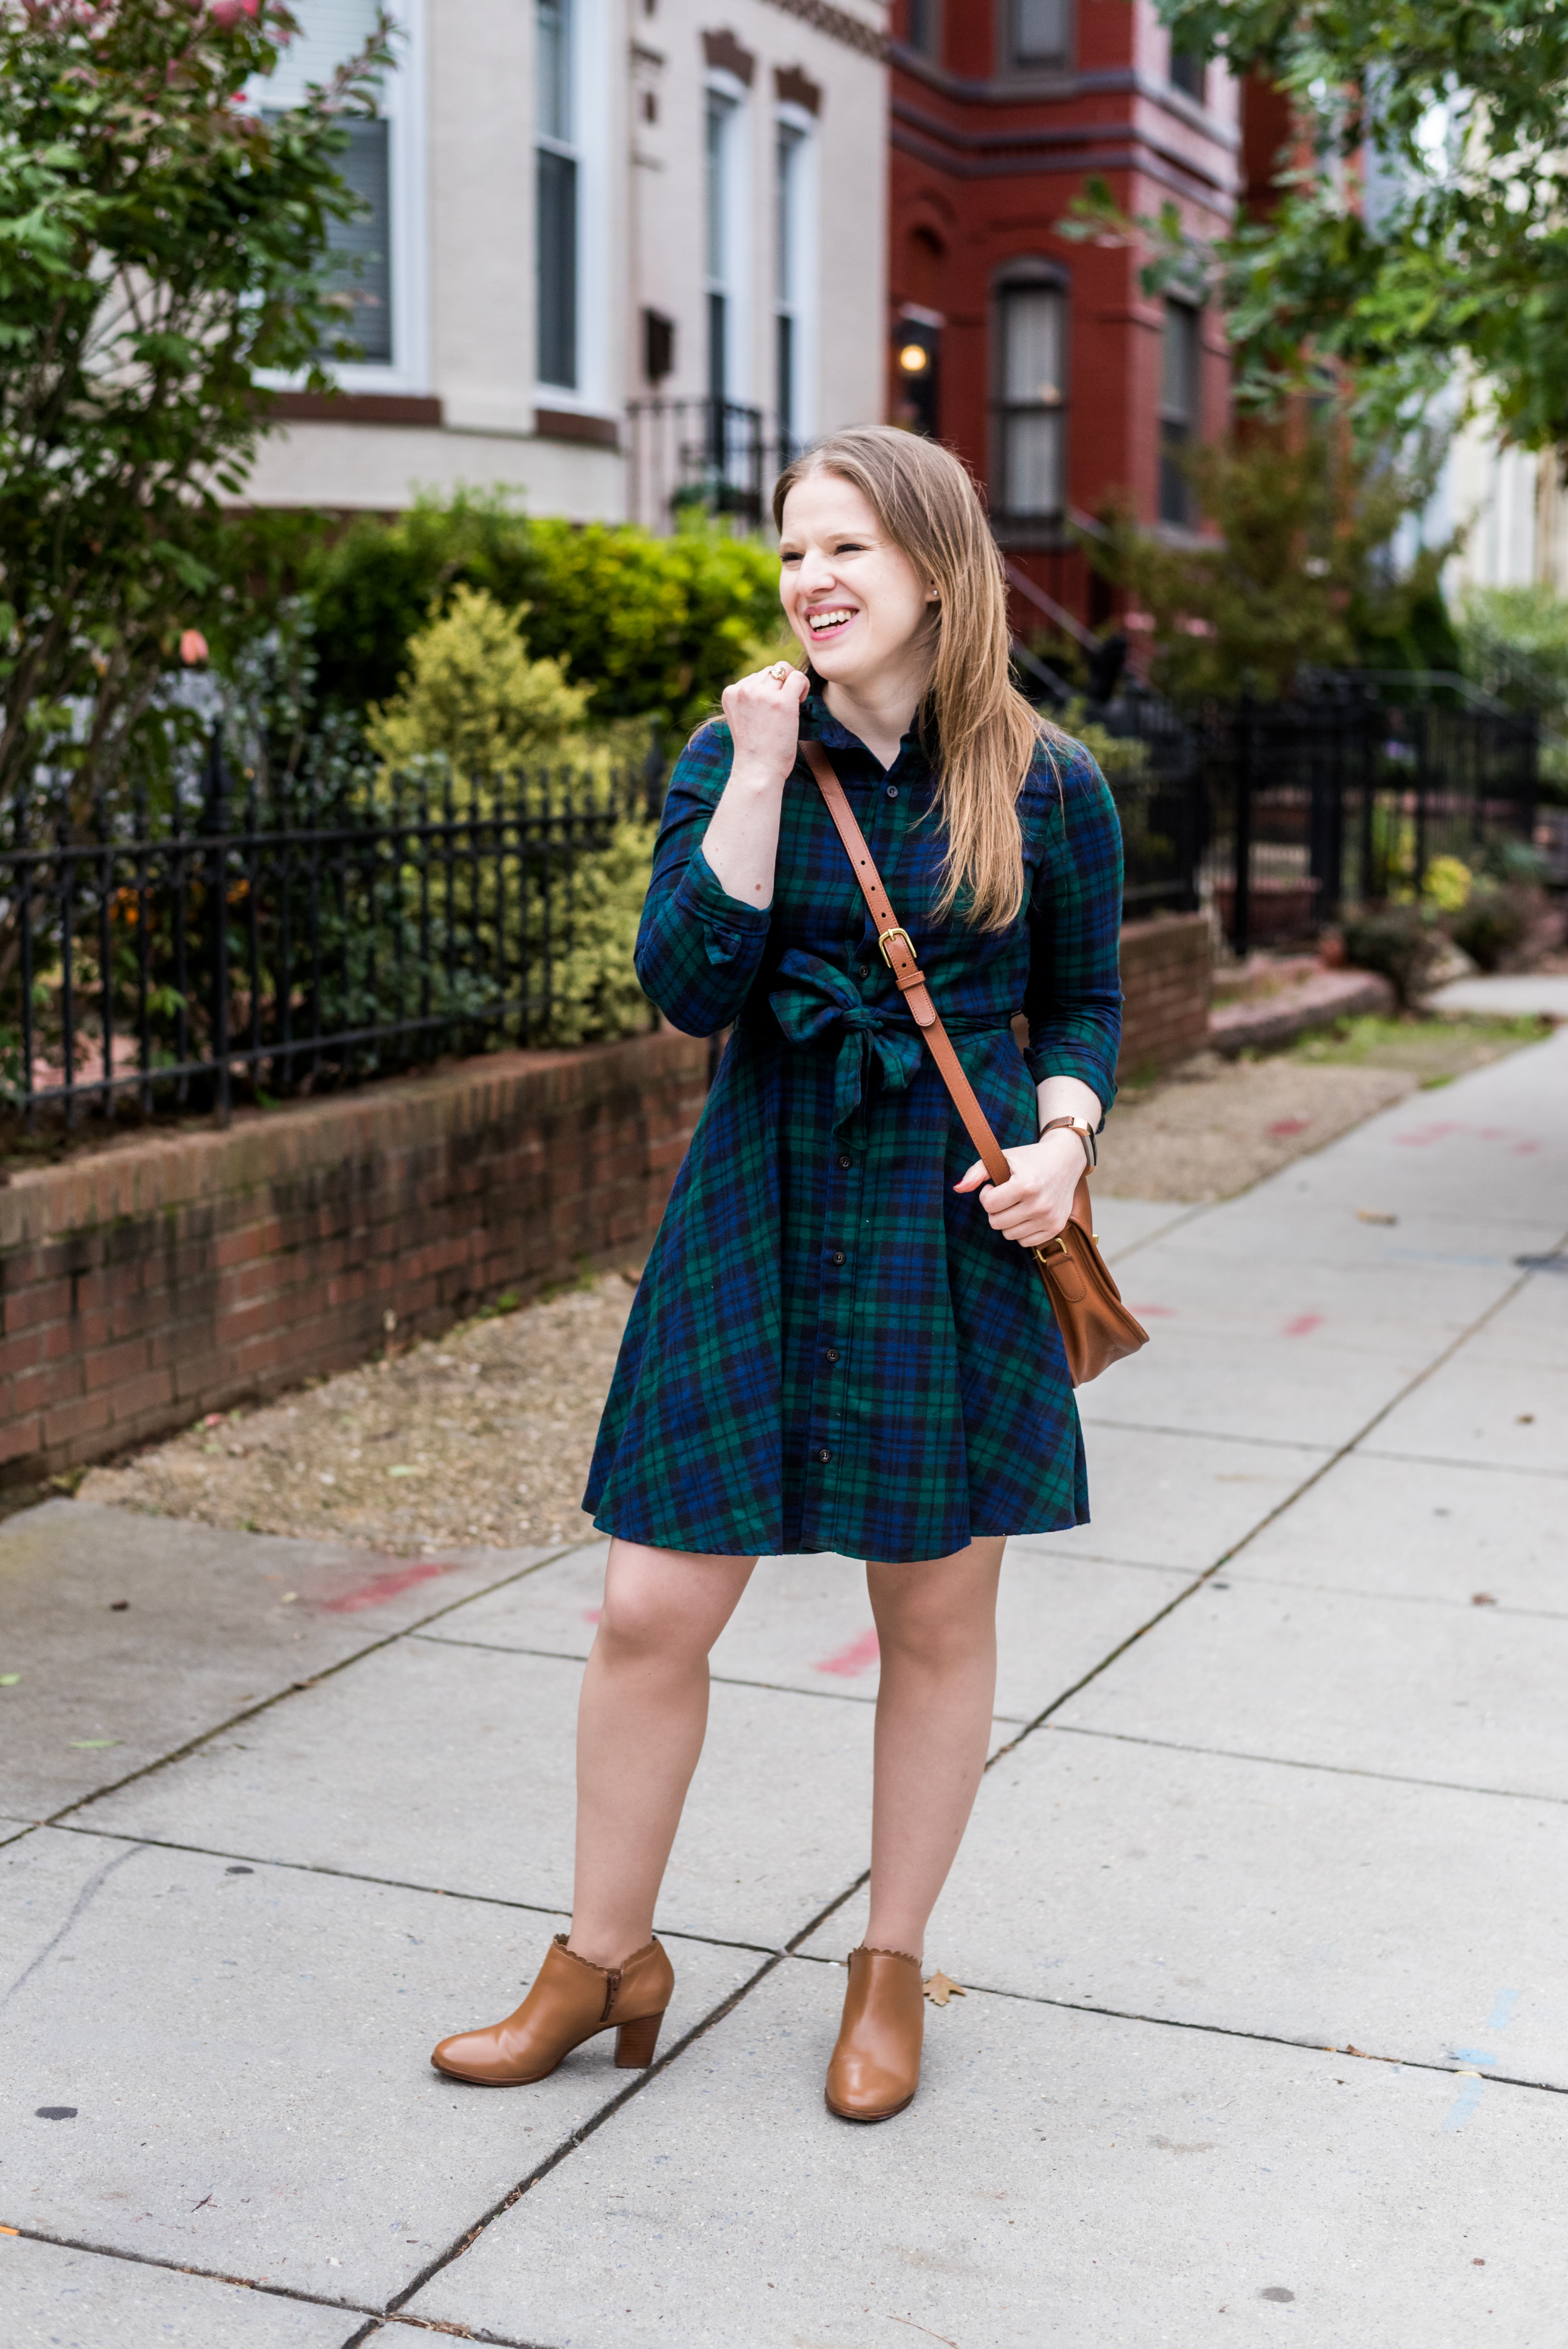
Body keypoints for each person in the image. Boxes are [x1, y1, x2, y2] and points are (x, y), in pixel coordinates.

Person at [431, 426, 1123, 2122]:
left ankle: (888, 1968)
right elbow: (685, 981)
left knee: (935, 1610)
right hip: (756, 1200)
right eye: (792, 555)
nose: (808, 582)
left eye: (846, 553)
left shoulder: (1046, 786)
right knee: (649, 1604)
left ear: (939, 575)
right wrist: (751, 771)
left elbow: (1084, 1003)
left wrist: (1062, 1145)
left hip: (946, 1222)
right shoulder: (730, 751)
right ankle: (601, 1961)